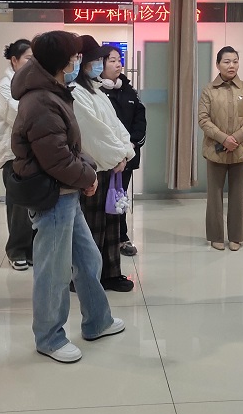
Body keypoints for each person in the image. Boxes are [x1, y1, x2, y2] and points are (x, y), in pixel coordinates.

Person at [11, 30, 124, 363]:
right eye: (75, 56)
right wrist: (88, 176)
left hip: (66, 193)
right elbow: (56, 159)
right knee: (54, 272)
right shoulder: (41, 101)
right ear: (63, 62)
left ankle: (97, 321)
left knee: (88, 259)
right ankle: (49, 337)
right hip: (53, 196)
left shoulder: (54, 92)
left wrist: (87, 170)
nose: (80, 61)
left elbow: (69, 146)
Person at [71, 35, 136, 292]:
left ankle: (110, 274)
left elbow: (116, 127)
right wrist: (118, 155)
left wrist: (125, 153)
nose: (99, 64)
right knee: (91, 228)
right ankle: (87, 279)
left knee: (111, 224)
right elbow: (93, 134)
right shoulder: (76, 92)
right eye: (96, 60)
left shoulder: (95, 89)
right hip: (93, 169)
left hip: (109, 166)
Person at [198, 46, 243, 252]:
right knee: (214, 196)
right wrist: (224, 139)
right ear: (218, 65)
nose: (231, 65)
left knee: (238, 196)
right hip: (215, 150)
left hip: (241, 150)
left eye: (235, 61)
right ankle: (216, 236)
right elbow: (203, 119)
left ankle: (236, 236)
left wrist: (237, 137)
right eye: (226, 61)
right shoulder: (209, 90)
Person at [0, 39, 34, 271]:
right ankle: (16, 250)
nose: (32, 63)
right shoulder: (6, 86)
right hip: (11, 153)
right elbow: (19, 117)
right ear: (14, 60)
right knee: (18, 205)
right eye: (28, 58)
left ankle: (30, 249)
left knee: (31, 203)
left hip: (28, 154)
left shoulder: (28, 84)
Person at [99, 46, 146, 256]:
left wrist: (132, 146)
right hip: (104, 157)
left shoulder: (129, 90)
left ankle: (121, 237)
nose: (118, 64)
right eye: (112, 60)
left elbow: (140, 120)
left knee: (120, 196)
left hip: (127, 156)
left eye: (119, 60)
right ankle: (102, 238)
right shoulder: (95, 92)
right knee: (102, 199)